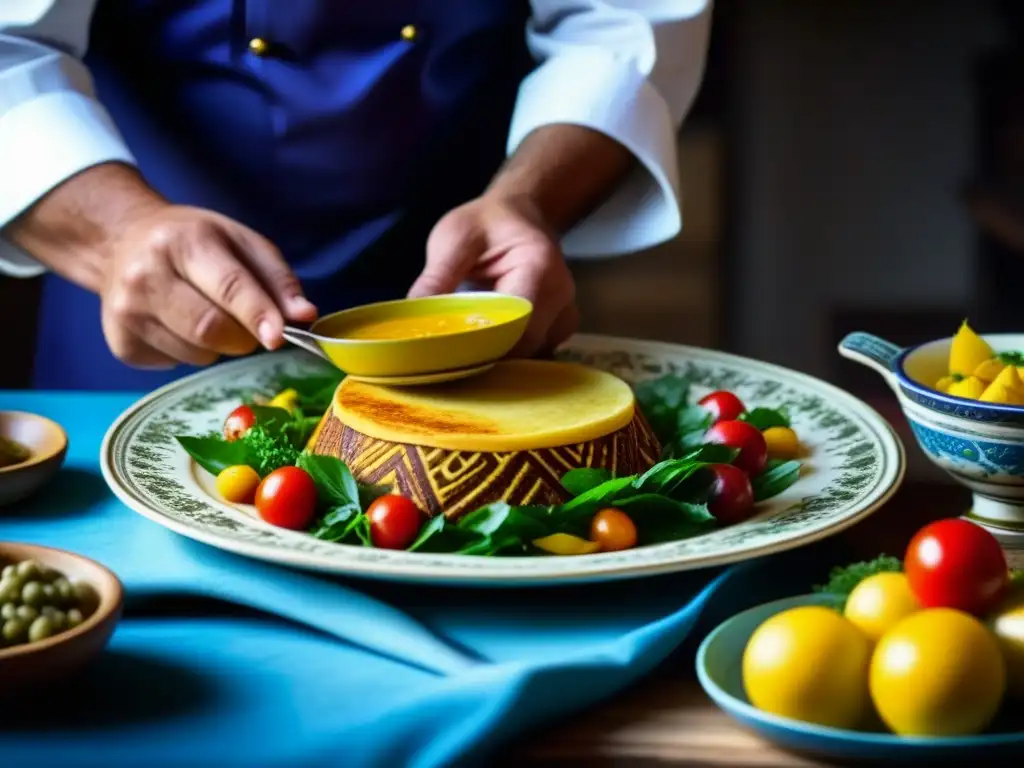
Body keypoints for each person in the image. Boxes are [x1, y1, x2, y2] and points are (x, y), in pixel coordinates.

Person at [0, 1, 713, 391]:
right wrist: (119, 234)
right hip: (143, 311)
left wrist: (529, 201)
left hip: (469, 297)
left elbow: (620, 21)